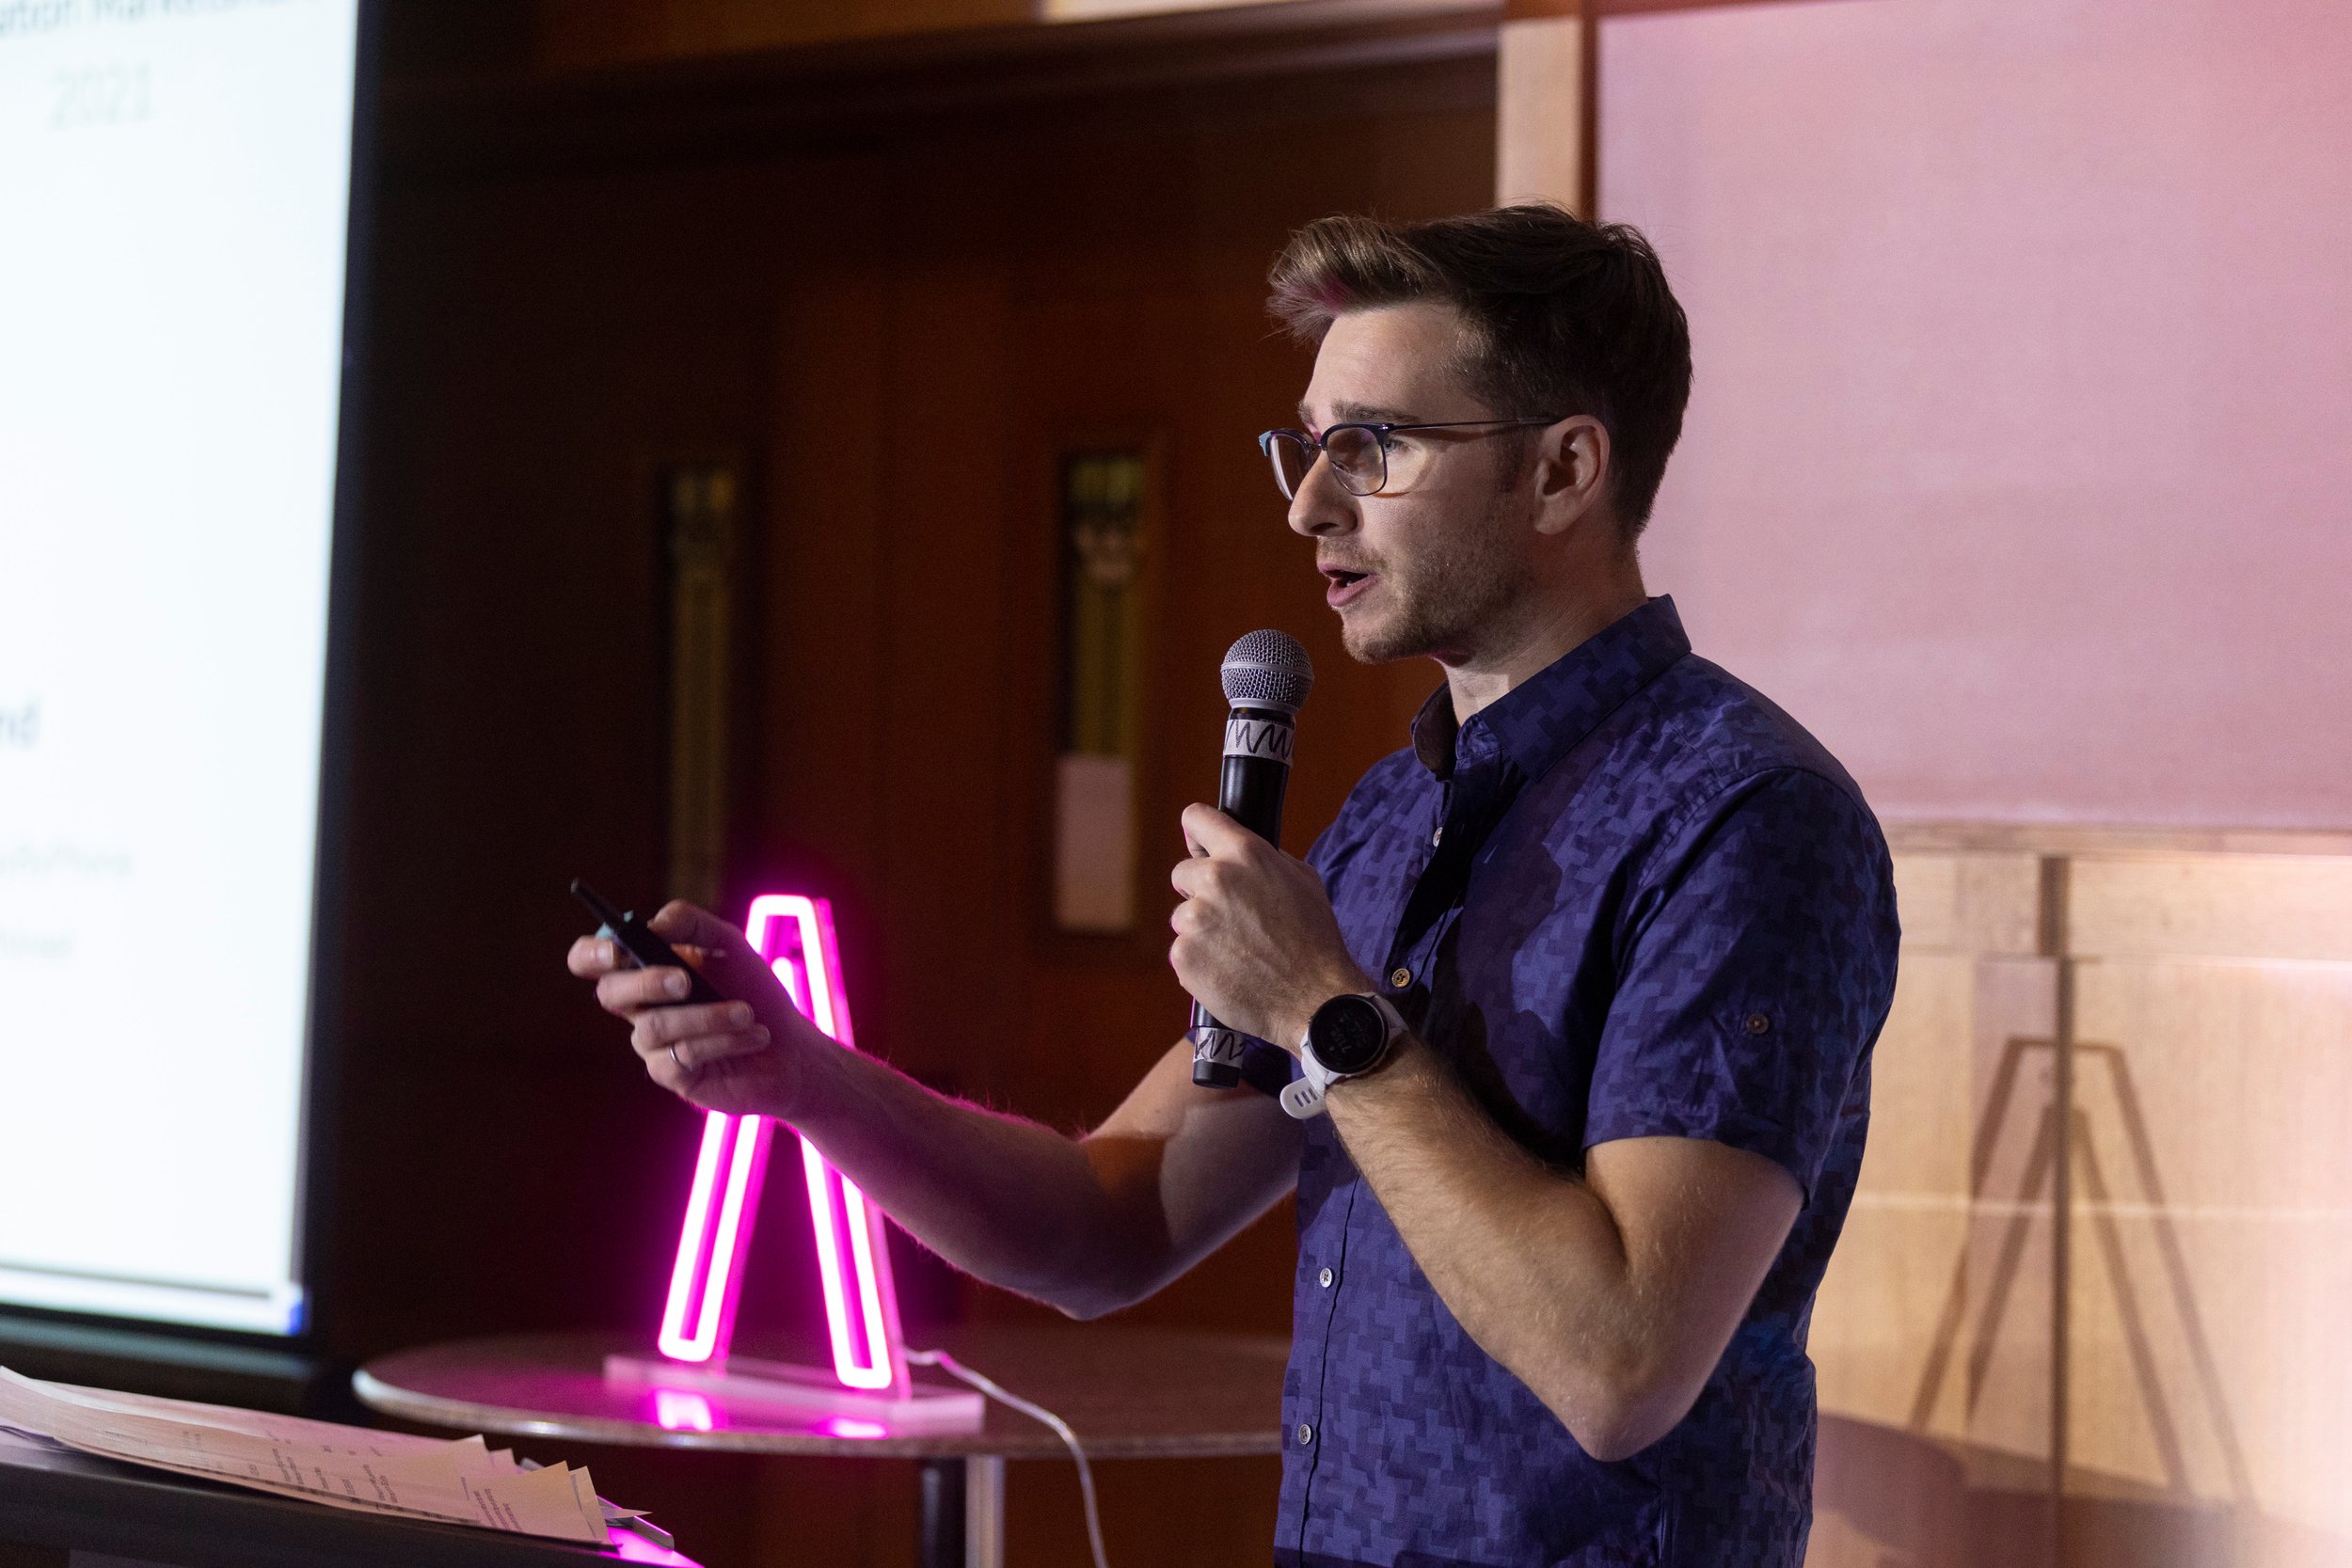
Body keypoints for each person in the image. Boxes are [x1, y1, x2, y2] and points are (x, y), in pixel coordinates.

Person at [570, 203, 1899, 1568]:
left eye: (1370, 449)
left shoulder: (1746, 819)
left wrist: (1328, 1012)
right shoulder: (1399, 816)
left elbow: (1623, 1363)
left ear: (1562, 471)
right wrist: (800, 1075)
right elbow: (1111, 1223)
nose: (1307, 503)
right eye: (1306, 444)